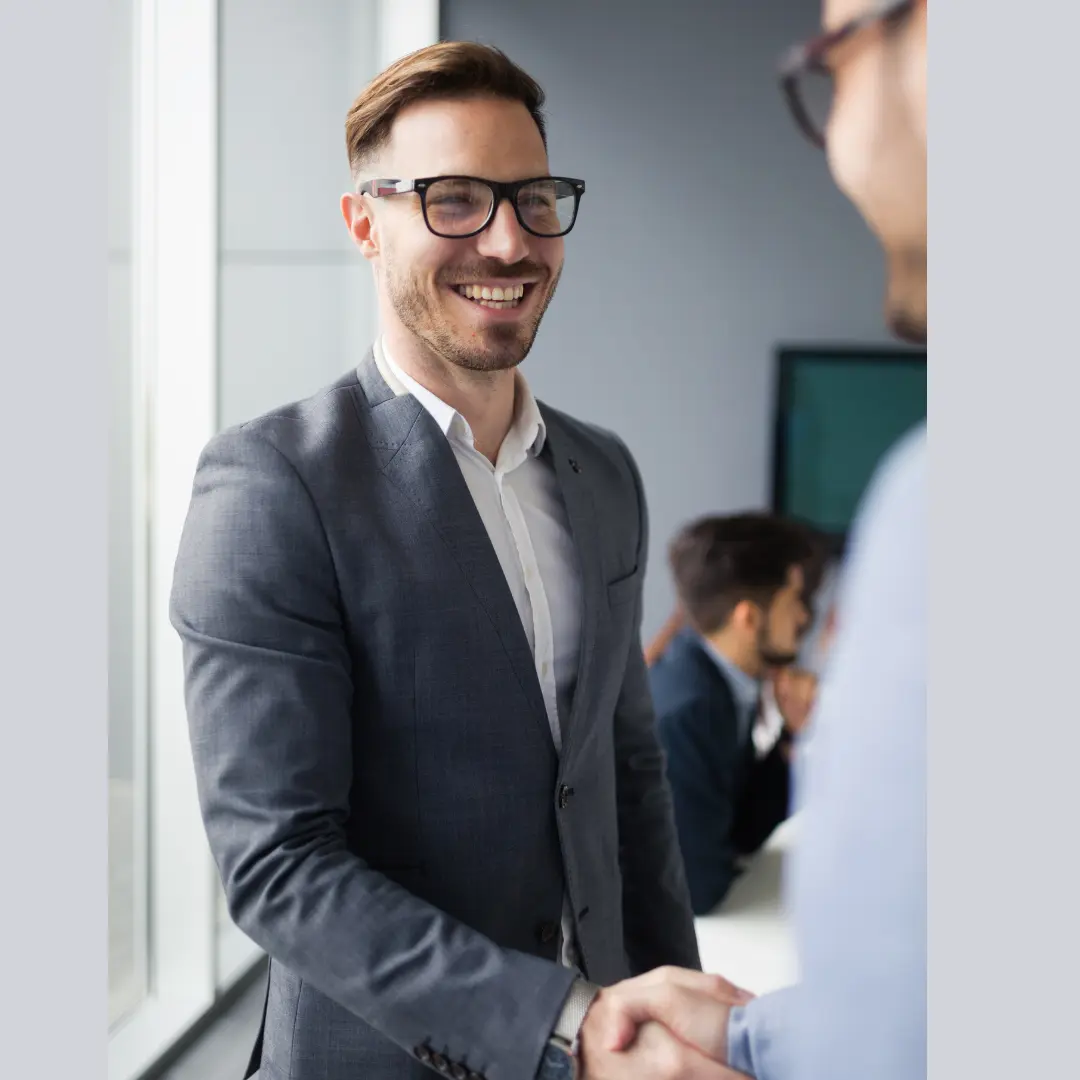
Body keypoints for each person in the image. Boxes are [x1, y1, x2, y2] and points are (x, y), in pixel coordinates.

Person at [169, 41, 746, 1080]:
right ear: (362, 223)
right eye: (452, 201)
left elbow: (627, 783)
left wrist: (672, 1027)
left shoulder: (603, 473)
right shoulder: (270, 486)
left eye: (533, 199)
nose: (507, 240)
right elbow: (280, 866)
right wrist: (565, 1029)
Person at [587, 0, 928, 1076]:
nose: (833, 143)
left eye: (833, 68)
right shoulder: (690, 698)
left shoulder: (936, 517)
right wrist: (749, 1032)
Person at [649, 514, 816, 914]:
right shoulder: (688, 712)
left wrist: (791, 735)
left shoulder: (722, 678)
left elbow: (743, 831)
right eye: (793, 601)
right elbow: (700, 888)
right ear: (748, 619)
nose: (803, 617)